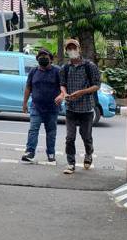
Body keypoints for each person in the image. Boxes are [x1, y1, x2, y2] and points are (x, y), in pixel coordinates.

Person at [60, 38, 100, 175]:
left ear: (79, 49)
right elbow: (62, 84)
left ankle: (89, 153)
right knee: (70, 137)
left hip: (87, 108)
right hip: (71, 108)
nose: (72, 51)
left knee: (86, 136)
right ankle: (71, 163)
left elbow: (96, 85)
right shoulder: (65, 68)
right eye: (69, 48)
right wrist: (64, 93)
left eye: (74, 48)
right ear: (66, 51)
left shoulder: (89, 66)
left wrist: (82, 92)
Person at [21, 49, 63, 163]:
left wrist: (61, 96)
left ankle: (51, 153)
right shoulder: (33, 71)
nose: (43, 58)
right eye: (40, 56)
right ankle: (29, 152)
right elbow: (28, 87)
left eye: (45, 56)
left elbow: (63, 87)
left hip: (52, 107)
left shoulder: (57, 71)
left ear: (51, 59)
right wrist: (24, 103)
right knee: (33, 129)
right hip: (36, 106)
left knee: (51, 131)